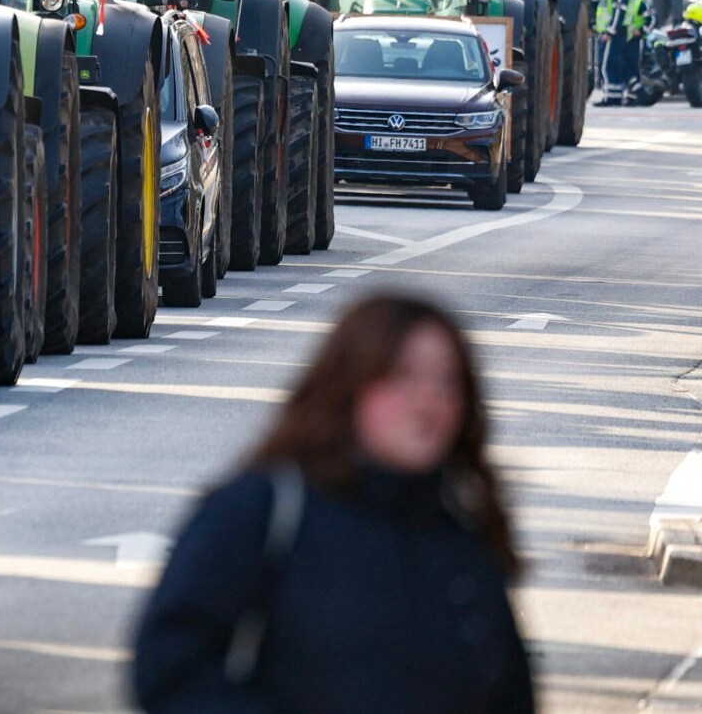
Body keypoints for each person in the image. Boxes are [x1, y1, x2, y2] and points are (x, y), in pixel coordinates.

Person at [132, 294, 533, 713]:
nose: (428, 400)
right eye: (402, 377)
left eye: (448, 381)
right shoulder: (264, 509)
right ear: (350, 386)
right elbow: (171, 670)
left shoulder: (462, 530)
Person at [595, 0, 647, 105]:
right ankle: (613, 96)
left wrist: (610, 31)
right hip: (612, 33)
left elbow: (618, 12)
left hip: (614, 34)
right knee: (612, 65)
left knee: (607, 65)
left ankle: (612, 98)